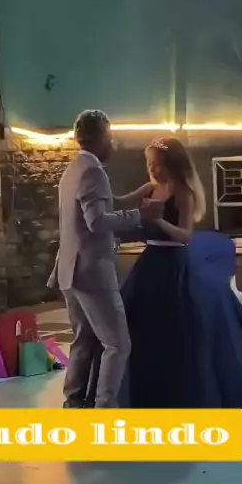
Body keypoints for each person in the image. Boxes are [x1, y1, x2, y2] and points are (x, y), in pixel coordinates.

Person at [117, 137, 242, 445]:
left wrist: (157, 220)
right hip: (149, 266)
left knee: (182, 333)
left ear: (171, 165)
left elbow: (185, 235)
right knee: (139, 330)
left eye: (157, 164)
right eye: (149, 164)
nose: (152, 169)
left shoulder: (182, 193)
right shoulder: (148, 189)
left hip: (174, 264)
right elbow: (120, 201)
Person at [52, 109, 162, 409]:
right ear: (99, 137)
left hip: (70, 270)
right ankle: (105, 407)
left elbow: (97, 208)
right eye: (110, 137)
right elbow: (97, 221)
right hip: (92, 273)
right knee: (118, 344)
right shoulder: (93, 171)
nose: (113, 144)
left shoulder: (73, 168)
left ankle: (74, 402)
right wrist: (140, 215)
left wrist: (132, 198)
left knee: (83, 342)